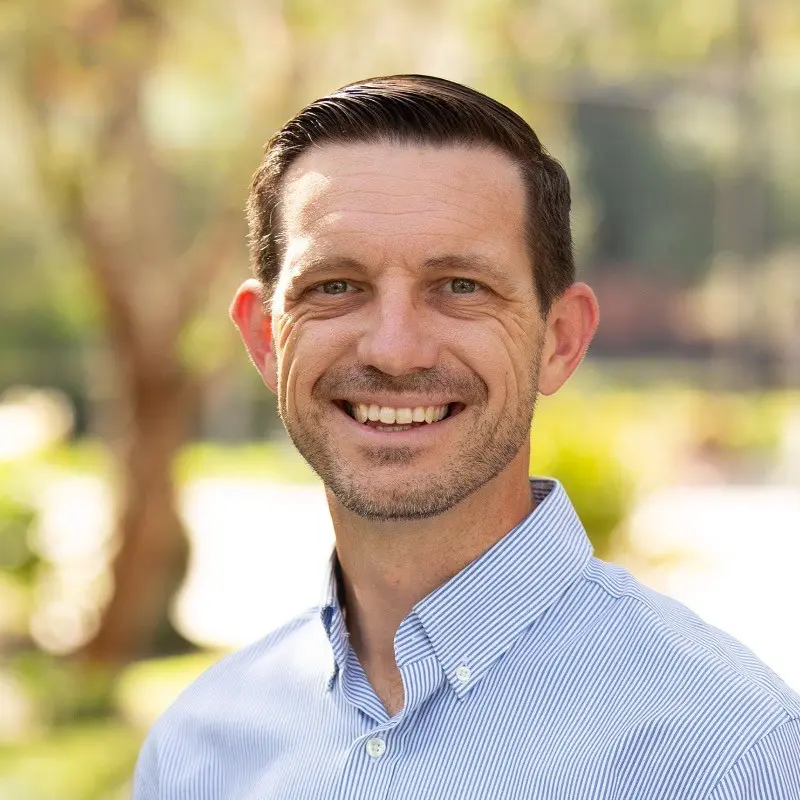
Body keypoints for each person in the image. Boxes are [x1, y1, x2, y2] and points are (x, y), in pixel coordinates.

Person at [133, 75, 800, 799]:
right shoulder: (195, 754)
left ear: (560, 340)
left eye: (459, 286)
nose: (394, 350)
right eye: (335, 286)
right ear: (266, 339)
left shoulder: (727, 753)